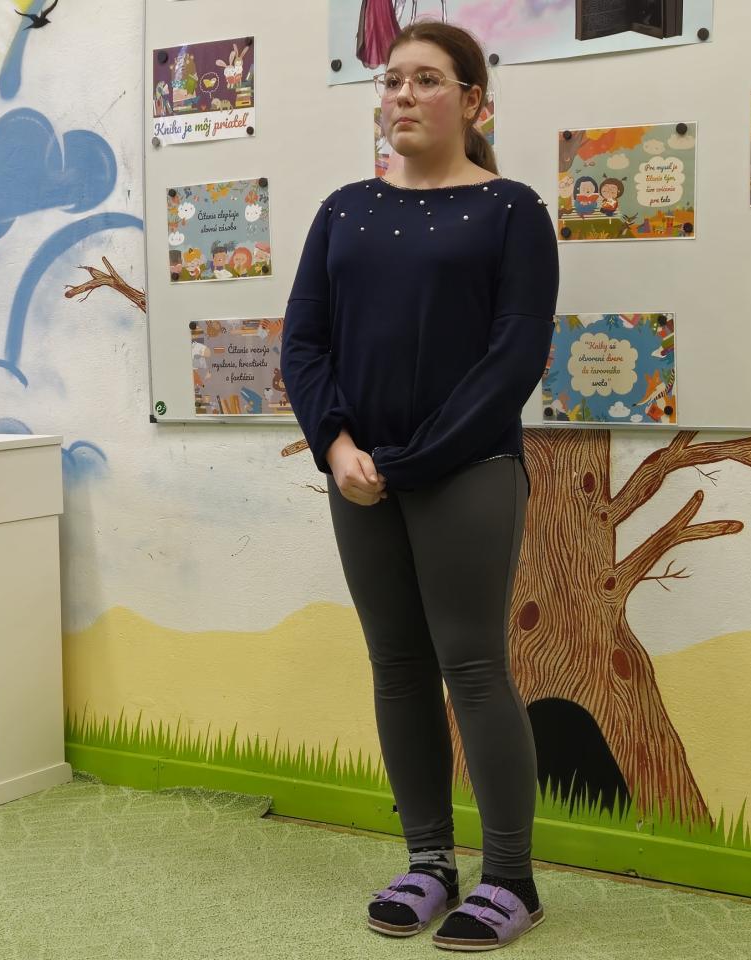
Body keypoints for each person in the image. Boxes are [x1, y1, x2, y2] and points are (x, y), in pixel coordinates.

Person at [280, 19, 558, 953]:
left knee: (473, 666)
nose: (402, 94)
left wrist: (415, 458)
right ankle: (429, 862)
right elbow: (303, 344)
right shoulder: (344, 211)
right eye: (392, 79)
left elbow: (514, 354)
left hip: (468, 470)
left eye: (427, 79)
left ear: (473, 102)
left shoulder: (512, 210)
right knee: (396, 666)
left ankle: (511, 879)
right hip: (359, 475)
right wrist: (336, 447)